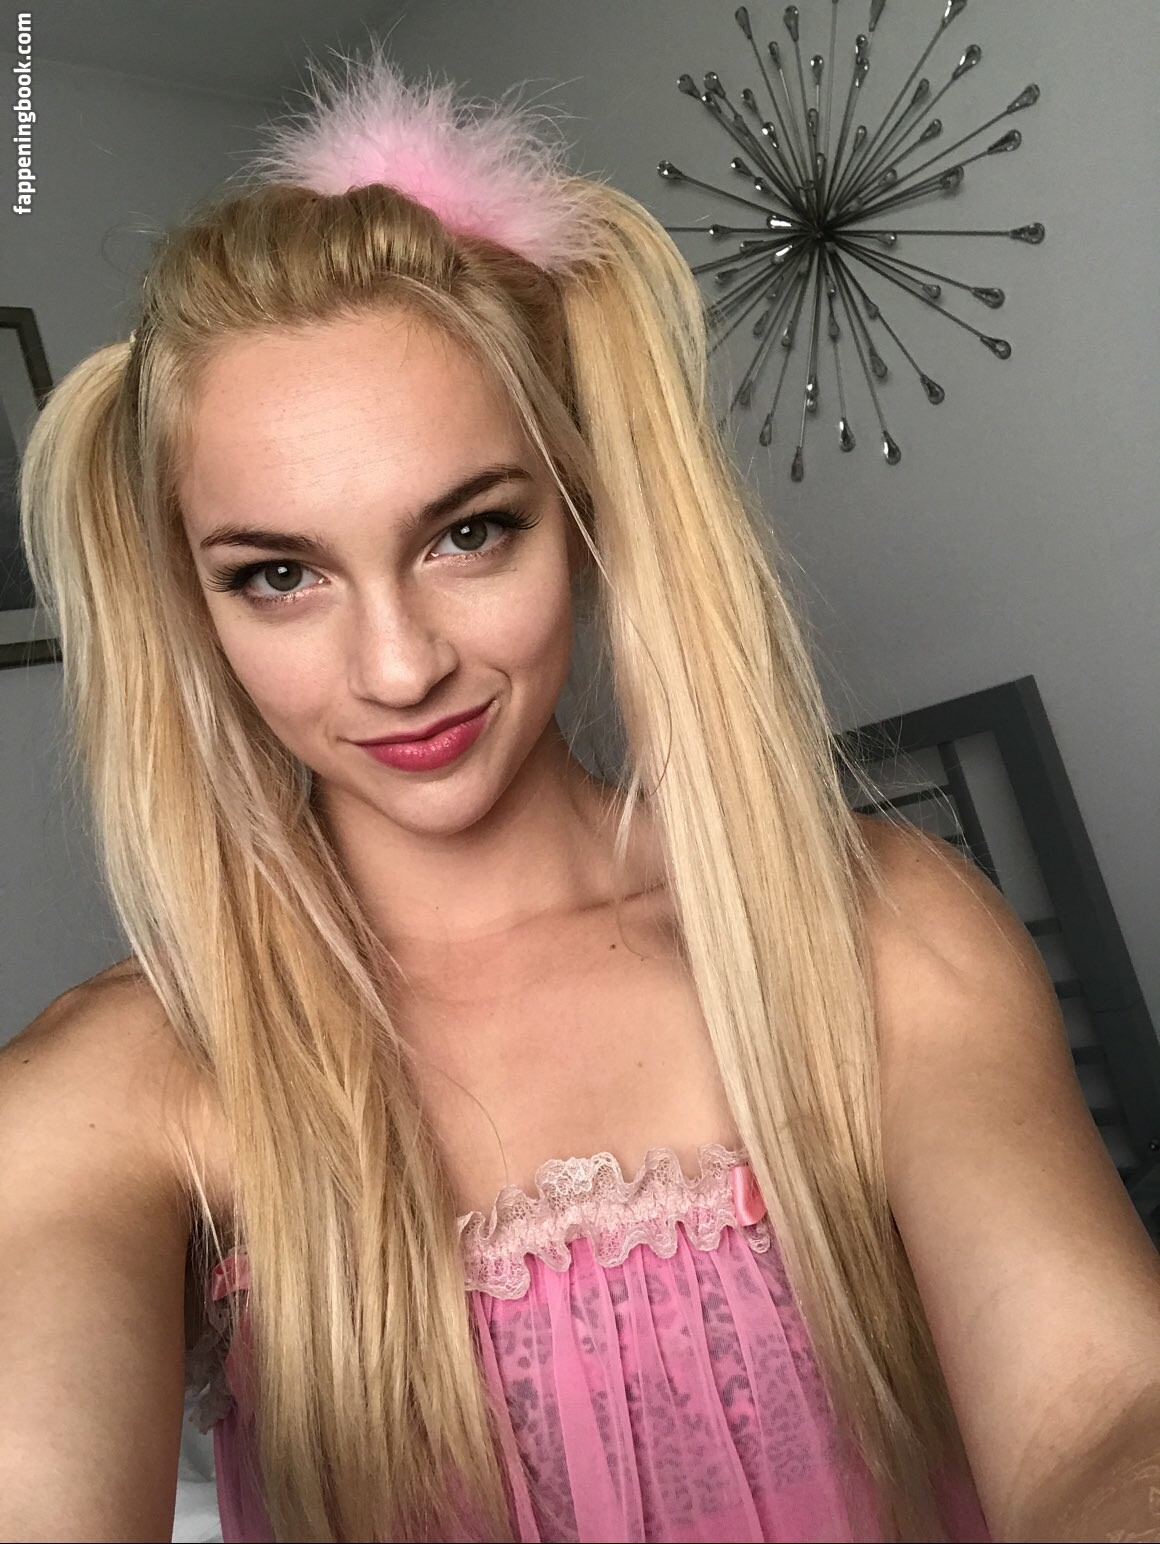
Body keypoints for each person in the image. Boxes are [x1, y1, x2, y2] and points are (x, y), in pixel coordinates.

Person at [0, 40, 1014, 1544]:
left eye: (467, 533)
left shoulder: (884, 931)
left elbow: (1103, 1406)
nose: (399, 666)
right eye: (278, 576)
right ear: (193, 612)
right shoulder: (115, 1092)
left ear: (581, 515)